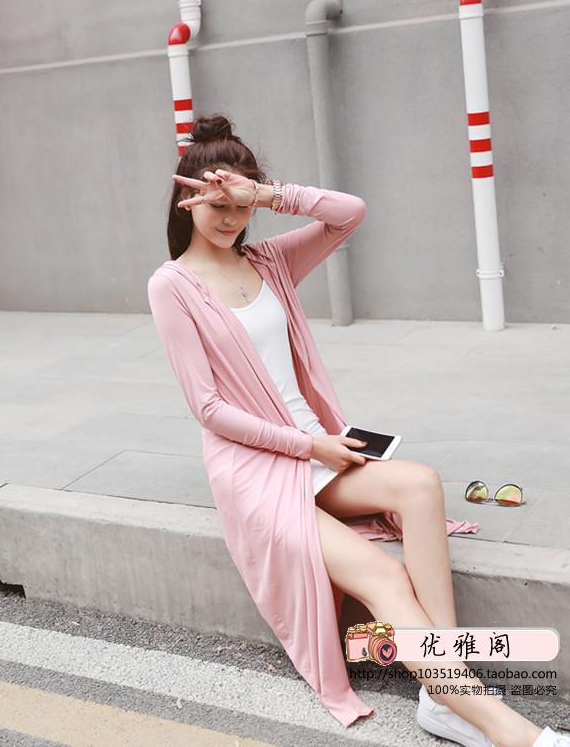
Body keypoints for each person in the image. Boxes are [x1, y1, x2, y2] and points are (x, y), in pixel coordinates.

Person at [147, 113, 566, 747]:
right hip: (259, 471)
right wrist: (307, 443)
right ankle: (514, 734)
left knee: (420, 484)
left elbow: (350, 212)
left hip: (319, 451)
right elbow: (208, 409)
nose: (231, 219)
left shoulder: (269, 260)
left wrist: (268, 194)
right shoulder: (172, 285)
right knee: (386, 579)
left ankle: (441, 693)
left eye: (241, 205)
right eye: (218, 205)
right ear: (189, 201)